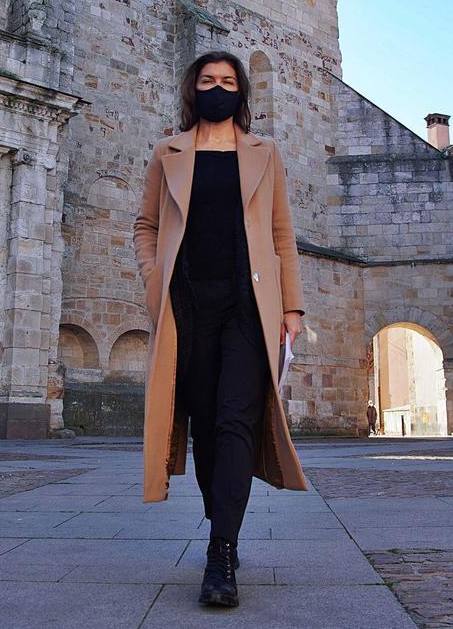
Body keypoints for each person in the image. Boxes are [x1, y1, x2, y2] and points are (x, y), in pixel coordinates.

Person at [133, 50, 309, 608]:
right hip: (186, 303)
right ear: (192, 89)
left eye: (228, 81)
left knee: (237, 419)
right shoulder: (168, 152)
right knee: (207, 425)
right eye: (208, 80)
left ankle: (221, 552)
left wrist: (293, 308)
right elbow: (144, 224)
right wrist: (153, 276)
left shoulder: (265, 153)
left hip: (247, 301)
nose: (217, 88)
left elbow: (282, 234)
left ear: (242, 93)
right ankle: (221, 524)